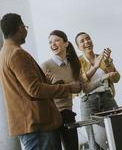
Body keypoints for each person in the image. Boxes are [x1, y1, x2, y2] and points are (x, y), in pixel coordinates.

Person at [0, 13, 82, 150]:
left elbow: (26, 89)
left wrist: (49, 84)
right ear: (21, 28)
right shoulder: (16, 53)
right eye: (25, 27)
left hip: (32, 124)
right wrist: (68, 87)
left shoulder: (5, 52)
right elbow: (35, 90)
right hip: (37, 125)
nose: (26, 30)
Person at [75, 32, 120, 150]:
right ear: (78, 47)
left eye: (88, 39)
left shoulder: (103, 57)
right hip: (88, 102)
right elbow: (81, 82)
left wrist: (108, 62)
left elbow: (116, 79)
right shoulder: (77, 62)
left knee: (118, 133)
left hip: (107, 98)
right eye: (82, 41)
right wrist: (95, 66)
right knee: (93, 141)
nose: (86, 42)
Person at [41, 30, 81, 150]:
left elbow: (80, 87)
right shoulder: (45, 66)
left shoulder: (74, 64)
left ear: (66, 43)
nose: (53, 44)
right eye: (50, 42)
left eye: (56, 40)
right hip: (52, 115)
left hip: (68, 113)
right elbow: (41, 92)